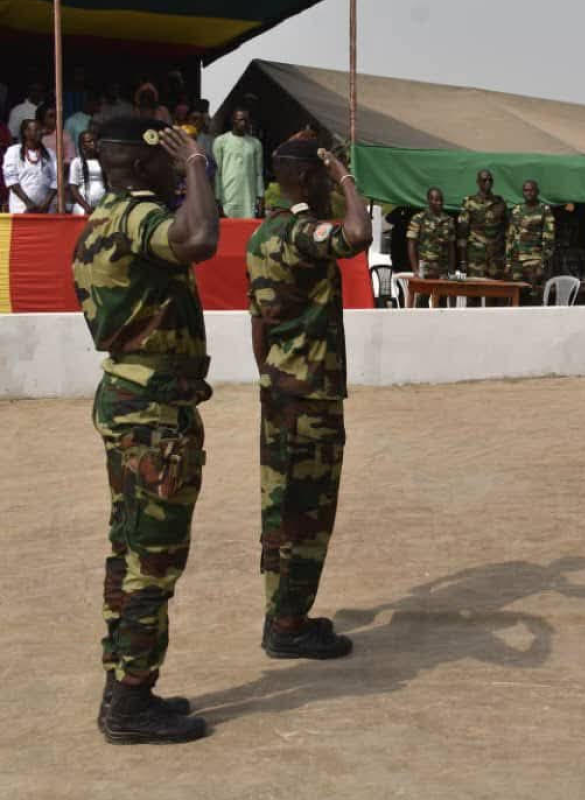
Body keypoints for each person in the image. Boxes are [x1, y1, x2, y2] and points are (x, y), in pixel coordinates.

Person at [72, 116, 220, 743]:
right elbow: (199, 240)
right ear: (141, 163)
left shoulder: (99, 221)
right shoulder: (135, 217)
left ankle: (123, 684)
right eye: (164, 158)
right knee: (154, 561)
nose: (173, 168)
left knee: (128, 551)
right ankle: (131, 702)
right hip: (154, 414)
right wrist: (198, 167)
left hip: (131, 402)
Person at [246, 140, 372, 661]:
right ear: (308, 179)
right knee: (308, 513)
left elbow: (258, 324)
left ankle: (282, 612)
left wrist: (274, 378)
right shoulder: (301, 231)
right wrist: (344, 175)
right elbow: (359, 233)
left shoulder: (260, 237)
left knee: (279, 506)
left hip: (279, 388)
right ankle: (289, 626)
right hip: (311, 395)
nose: (328, 186)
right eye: (321, 178)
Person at [505, 179, 556, 303]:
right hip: (517, 262)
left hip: (534, 262)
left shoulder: (544, 210)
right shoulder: (517, 210)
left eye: (531, 190)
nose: (529, 193)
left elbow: (549, 240)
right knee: (517, 297)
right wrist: (508, 263)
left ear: (537, 192)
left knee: (534, 298)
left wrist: (542, 264)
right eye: (526, 190)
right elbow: (510, 237)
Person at [213, 108, 264, 219]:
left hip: (248, 197)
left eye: (246, 120)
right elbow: (217, 172)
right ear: (233, 121)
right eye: (240, 120)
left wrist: (260, 197)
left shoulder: (255, 143)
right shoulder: (221, 141)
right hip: (227, 196)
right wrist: (217, 198)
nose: (243, 123)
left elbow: (259, 173)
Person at [457, 170, 508, 279]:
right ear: (478, 182)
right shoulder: (469, 202)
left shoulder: (500, 202)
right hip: (476, 257)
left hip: (495, 258)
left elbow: (506, 230)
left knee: (495, 292)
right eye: (484, 180)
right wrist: (463, 260)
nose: (488, 182)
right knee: (474, 291)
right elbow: (463, 233)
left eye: (490, 180)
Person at [3, 119, 58, 213]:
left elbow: (56, 180)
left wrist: (46, 203)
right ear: (26, 132)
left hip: (45, 209)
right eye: (36, 130)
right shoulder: (13, 151)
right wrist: (28, 202)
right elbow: (12, 180)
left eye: (40, 130)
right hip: (20, 208)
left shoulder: (50, 153)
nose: (40, 132)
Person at [408, 187, 456, 281]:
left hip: (443, 270)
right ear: (429, 201)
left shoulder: (448, 220)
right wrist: (415, 271)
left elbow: (451, 247)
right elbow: (411, 245)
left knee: (442, 295)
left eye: (441, 200)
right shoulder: (419, 218)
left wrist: (451, 270)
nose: (439, 202)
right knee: (423, 295)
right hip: (425, 268)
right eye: (436, 200)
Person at [68, 130, 105, 214]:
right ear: (82, 145)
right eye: (89, 141)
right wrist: (86, 207)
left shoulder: (103, 161)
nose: (93, 144)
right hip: (83, 208)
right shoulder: (77, 162)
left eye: (95, 141)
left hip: (101, 208)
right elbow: (73, 188)